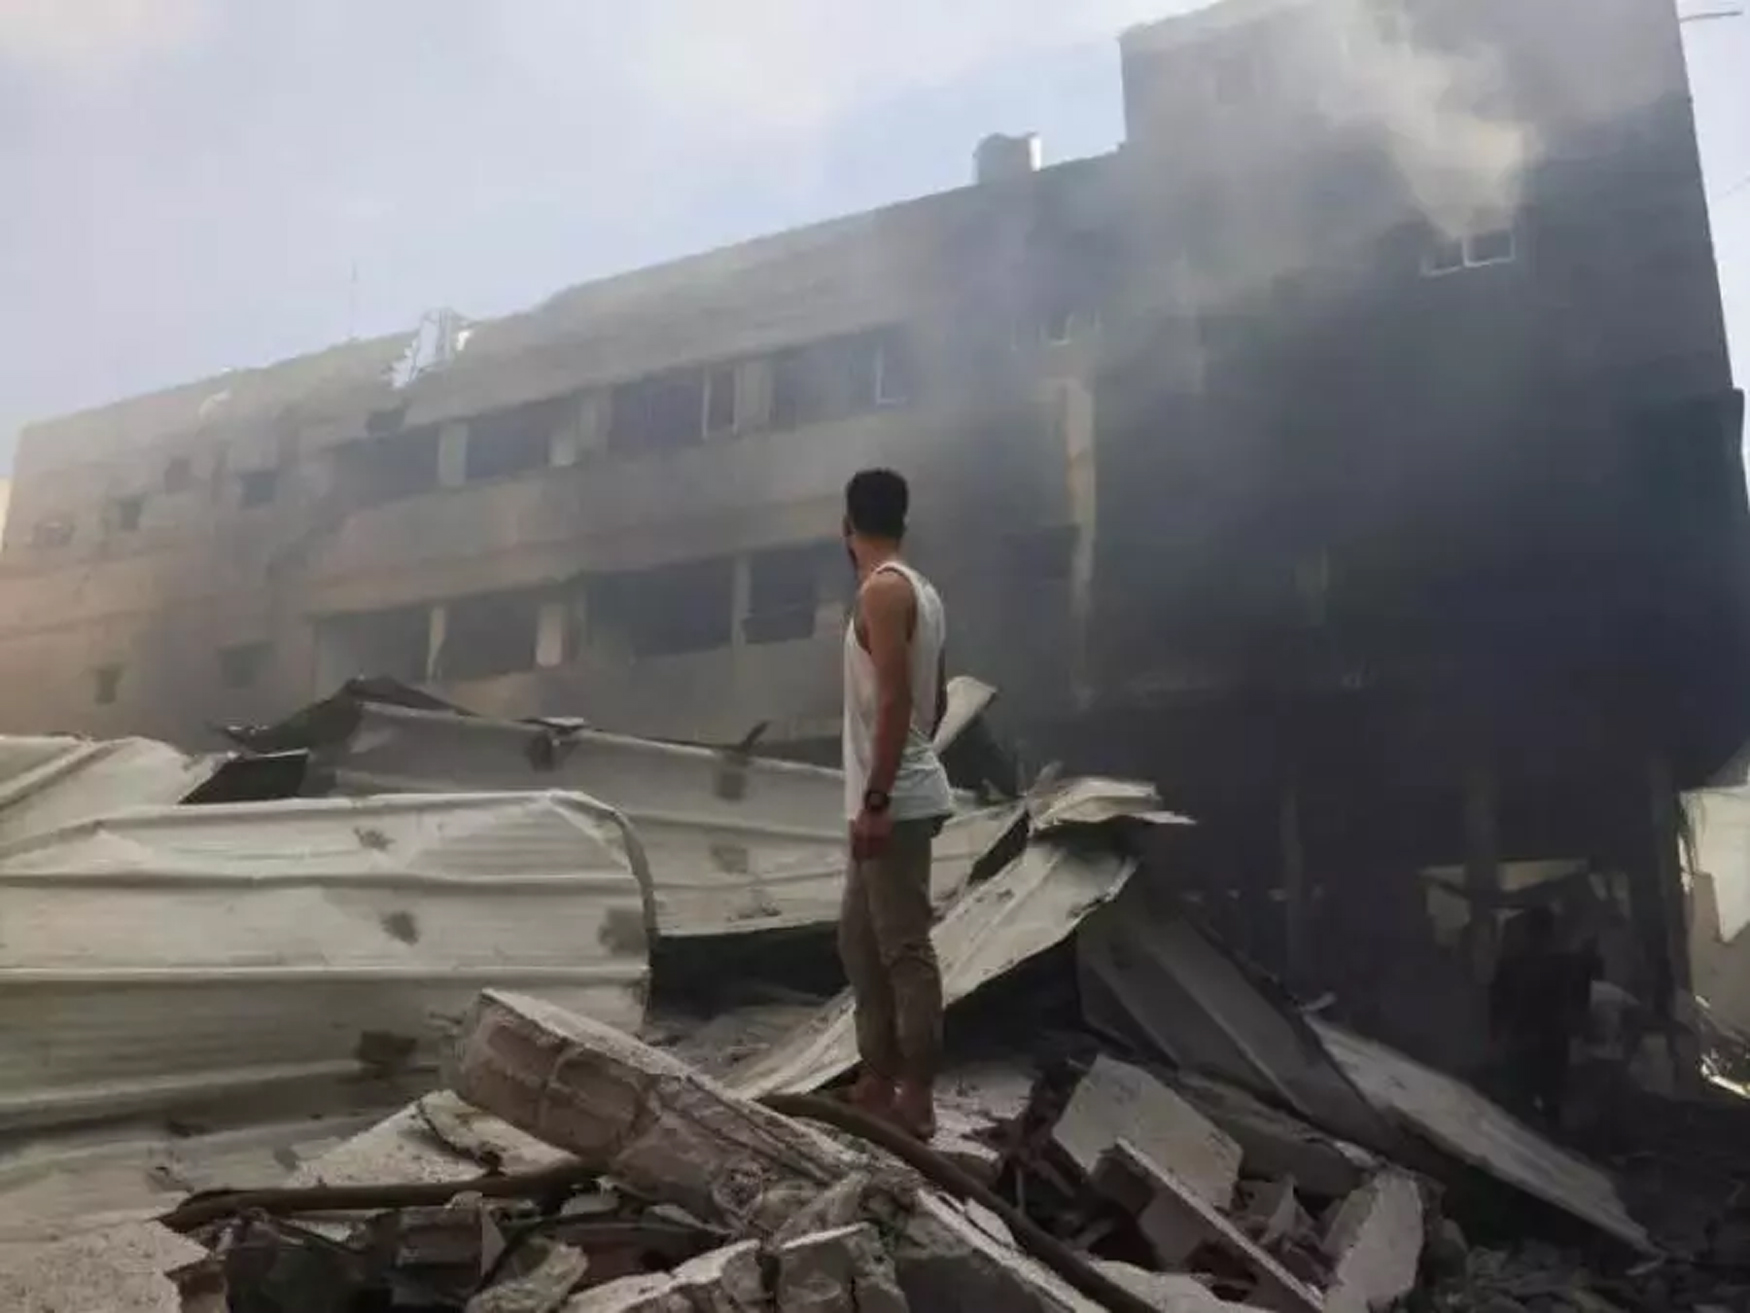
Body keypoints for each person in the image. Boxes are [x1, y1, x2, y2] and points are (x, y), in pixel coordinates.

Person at [837, 468, 954, 1141]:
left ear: (846, 526)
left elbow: (896, 701)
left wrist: (881, 795)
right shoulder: (922, 592)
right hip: (883, 790)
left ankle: (918, 1096)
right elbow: (936, 696)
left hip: (893, 798)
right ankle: (877, 1076)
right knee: (857, 939)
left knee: (903, 947)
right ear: (902, 522)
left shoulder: (883, 591)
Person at [1488, 905, 1590, 1127]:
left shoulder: (1512, 968)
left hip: (1530, 1052)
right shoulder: (1566, 968)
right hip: (1538, 1052)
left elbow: (1496, 1017)